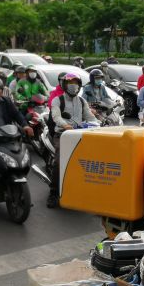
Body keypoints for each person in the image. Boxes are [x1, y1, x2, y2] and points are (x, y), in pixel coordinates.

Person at [47, 73, 96, 208]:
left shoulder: (81, 101)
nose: (73, 86)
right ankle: (53, 193)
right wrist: (65, 125)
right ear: (64, 85)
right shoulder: (57, 100)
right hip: (63, 134)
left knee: (90, 161)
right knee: (60, 161)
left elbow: (89, 116)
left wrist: (100, 124)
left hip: (80, 134)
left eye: (76, 83)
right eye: (70, 83)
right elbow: (56, 116)